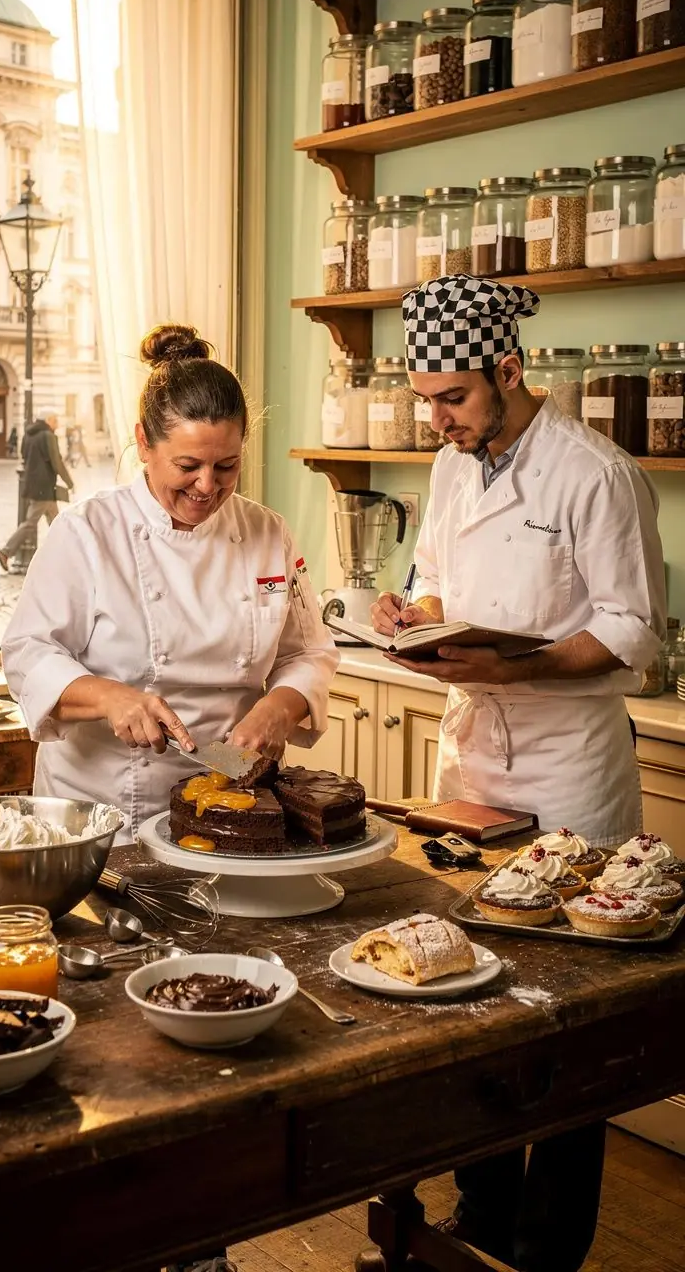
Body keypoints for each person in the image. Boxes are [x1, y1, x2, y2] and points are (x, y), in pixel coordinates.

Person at [371, 275, 666, 1272]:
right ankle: (479, 1215)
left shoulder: (598, 473)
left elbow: (635, 635)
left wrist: (517, 664)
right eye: (426, 401)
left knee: (562, 1020)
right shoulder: (457, 466)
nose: (439, 421)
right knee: (472, 1000)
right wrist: (410, 618)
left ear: (508, 369)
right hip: (473, 753)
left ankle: (546, 1249)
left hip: (568, 768)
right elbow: (437, 580)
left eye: (452, 398)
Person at [2, 324, 339, 843]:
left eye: (227, 465)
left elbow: (308, 653)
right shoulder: (88, 532)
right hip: (105, 817)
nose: (208, 486)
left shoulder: (267, 532)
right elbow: (28, 654)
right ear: (143, 442)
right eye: (188, 465)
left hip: (232, 801)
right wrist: (111, 698)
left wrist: (279, 708)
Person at [0, 410, 73, 571]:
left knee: (56, 521)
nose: (57, 423)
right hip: (43, 487)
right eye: (55, 420)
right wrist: (69, 482)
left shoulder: (28, 434)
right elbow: (56, 461)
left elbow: (24, 455)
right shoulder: (48, 436)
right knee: (31, 523)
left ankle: (65, 556)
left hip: (35, 485)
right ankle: (5, 552)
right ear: (49, 420)